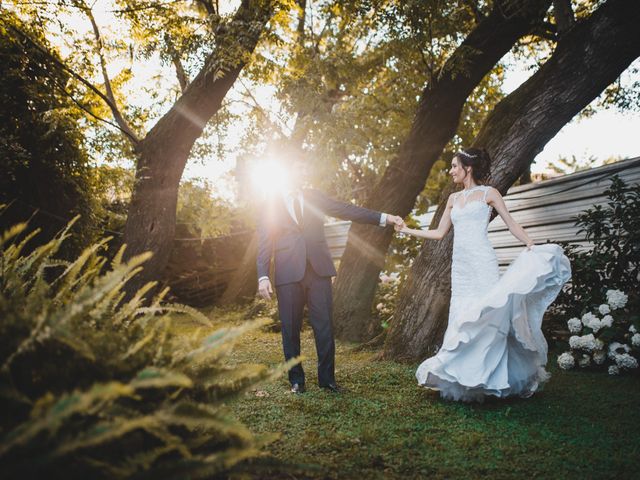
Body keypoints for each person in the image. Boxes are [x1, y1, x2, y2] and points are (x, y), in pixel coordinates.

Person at [396, 148, 571, 402]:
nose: (451, 170)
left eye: (455, 166)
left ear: (468, 167)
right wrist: (408, 230)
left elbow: (511, 223)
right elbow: (438, 233)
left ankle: (493, 377)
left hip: (483, 262)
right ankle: (463, 376)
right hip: (461, 267)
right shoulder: (453, 199)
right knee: (462, 316)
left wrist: (531, 244)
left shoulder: (490, 193)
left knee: (490, 316)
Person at [256, 159, 405, 394]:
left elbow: (347, 210)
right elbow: (264, 241)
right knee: (290, 330)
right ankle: (297, 381)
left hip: (319, 271)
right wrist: (262, 275)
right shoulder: (270, 205)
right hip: (287, 274)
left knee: (324, 326)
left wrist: (385, 218)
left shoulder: (314, 196)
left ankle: (327, 380)